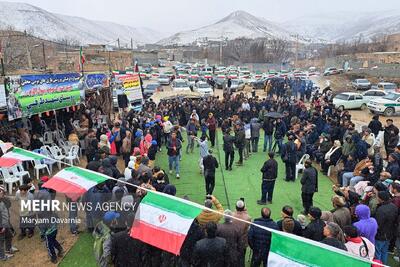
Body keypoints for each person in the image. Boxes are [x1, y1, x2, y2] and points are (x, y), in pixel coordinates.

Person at [375, 191, 398, 264]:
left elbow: (378, 225)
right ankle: (383, 265)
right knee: (384, 251)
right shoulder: (393, 206)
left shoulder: (381, 210)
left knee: (378, 252)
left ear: (381, 198)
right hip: (389, 234)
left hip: (381, 235)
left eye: (377, 196)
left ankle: (378, 265)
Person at [0, 186, 17, 261]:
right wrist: (2, 227)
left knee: (9, 235)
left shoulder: (2, 200)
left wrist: (3, 196)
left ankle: (8, 249)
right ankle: (2, 256)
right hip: (1, 227)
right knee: (1, 242)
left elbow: (9, 205)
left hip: (5, 224)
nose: (1, 192)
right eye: (0, 191)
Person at [232, 200, 251, 267]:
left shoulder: (232, 215)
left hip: (233, 240)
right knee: (242, 257)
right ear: (243, 208)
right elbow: (248, 227)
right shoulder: (248, 217)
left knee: (233, 257)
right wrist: (245, 212)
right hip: (242, 241)